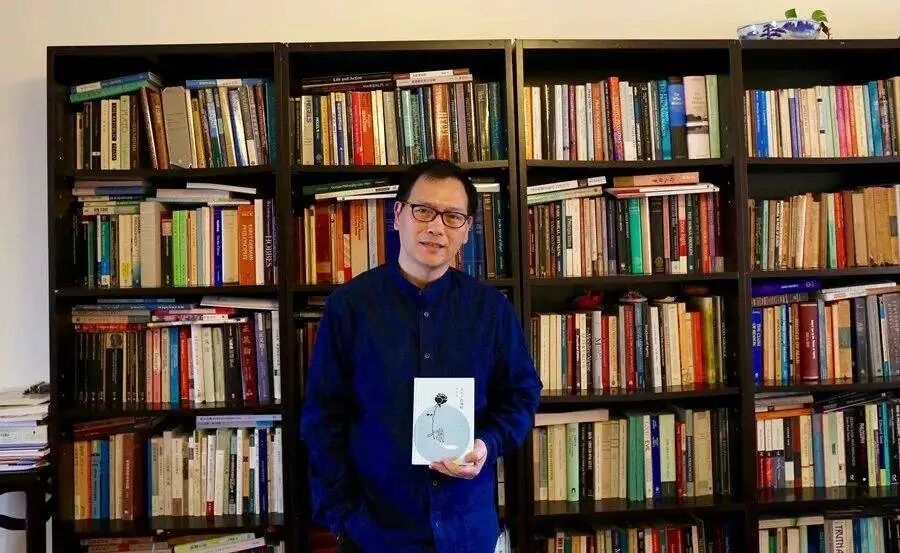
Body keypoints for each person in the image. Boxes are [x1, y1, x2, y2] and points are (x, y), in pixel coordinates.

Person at [300, 159, 542, 553]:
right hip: (376, 533)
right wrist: (345, 518)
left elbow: (522, 395)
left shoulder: (490, 311)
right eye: (424, 210)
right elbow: (323, 418)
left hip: (467, 530)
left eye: (452, 217)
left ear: (466, 229)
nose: (436, 227)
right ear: (398, 214)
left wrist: (487, 444)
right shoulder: (350, 307)